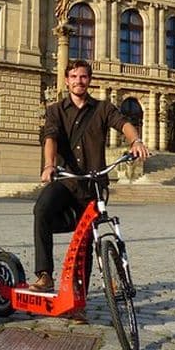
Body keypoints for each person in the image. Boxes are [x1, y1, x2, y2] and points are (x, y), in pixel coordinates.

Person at [29, 59, 149, 308]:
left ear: (89, 80)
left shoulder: (102, 108)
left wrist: (136, 141)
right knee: (41, 209)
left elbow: (122, 122)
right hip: (66, 180)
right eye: (74, 77)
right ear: (66, 80)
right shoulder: (55, 110)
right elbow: (50, 137)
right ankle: (44, 275)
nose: (78, 81)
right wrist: (49, 165)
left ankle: (78, 297)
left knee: (86, 239)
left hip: (94, 184)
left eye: (83, 77)